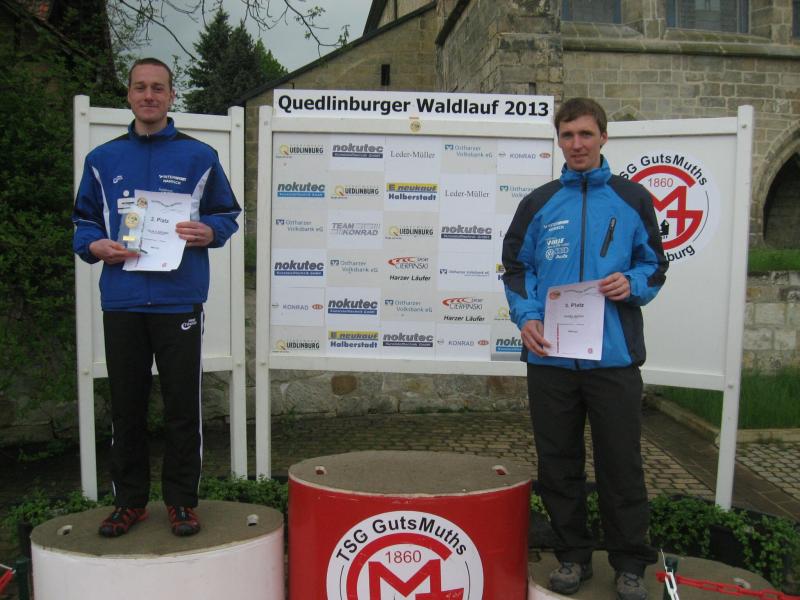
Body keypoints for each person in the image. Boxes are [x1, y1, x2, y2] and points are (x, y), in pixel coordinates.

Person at [502, 97, 667, 600]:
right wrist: (527, 316)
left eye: (585, 134)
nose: (577, 144)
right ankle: (572, 556)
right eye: (568, 135)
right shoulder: (538, 202)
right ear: (559, 141)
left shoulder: (632, 198)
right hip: (550, 358)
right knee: (558, 463)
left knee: (622, 465)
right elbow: (516, 267)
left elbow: (655, 265)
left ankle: (630, 563)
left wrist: (632, 283)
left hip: (613, 361)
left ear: (603, 137)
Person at [73, 58, 241, 538]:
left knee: (182, 408)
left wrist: (210, 230)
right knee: (126, 409)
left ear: (171, 96)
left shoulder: (199, 156)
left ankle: (181, 502)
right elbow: (83, 220)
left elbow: (227, 213)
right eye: (140, 88)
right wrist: (94, 245)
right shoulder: (102, 159)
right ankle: (129, 503)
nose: (149, 96)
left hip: (178, 302)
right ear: (128, 95)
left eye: (158, 88)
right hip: (122, 301)